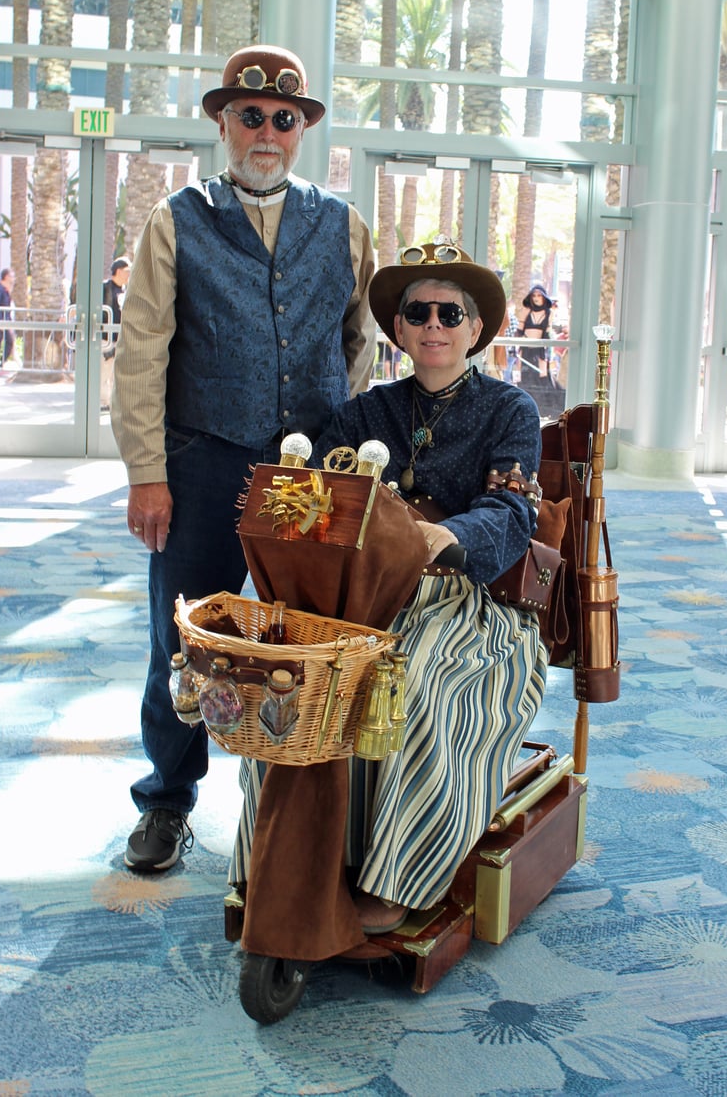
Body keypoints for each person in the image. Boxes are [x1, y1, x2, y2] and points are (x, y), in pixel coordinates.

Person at [111, 44, 376, 872]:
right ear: (224, 123)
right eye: (251, 116)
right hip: (203, 463)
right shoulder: (177, 219)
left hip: (311, 476)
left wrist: (339, 447)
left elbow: (358, 342)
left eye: (283, 119)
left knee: (313, 640)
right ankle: (167, 799)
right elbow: (142, 351)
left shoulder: (342, 223)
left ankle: (299, 811)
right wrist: (147, 471)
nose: (267, 131)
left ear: (302, 131)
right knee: (186, 639)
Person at [233, 243, 547, 936]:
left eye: (449, 312)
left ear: (474, 329)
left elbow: (514, 511)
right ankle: (274, 857)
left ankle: (399, 875)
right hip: (368, 595)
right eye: (417, 312)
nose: (433, 324)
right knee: (297, 679)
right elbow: (317, 501)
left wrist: (446, 535)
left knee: (425, 685)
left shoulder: (511, 411)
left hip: (469, 601)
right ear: (399, 330)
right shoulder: (360, 414)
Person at [515, 284, 564, 416]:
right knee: (525, 379)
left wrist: (547, 354)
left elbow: (547, 334)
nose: (536, 298)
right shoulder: (527, 312)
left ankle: (543, 410)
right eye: (534, 295)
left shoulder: (548, 313)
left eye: (539, 295)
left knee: (542, 379)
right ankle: (527, 410)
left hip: (540, 352)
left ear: (544, 297)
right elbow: (518, 332)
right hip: (525, 351)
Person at [100, 257, 130, 410]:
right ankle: (103, 402)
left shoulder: (125, 290)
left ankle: (111, 402)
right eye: (127, 271)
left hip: (118, 337)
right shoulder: (105, 288)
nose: (129, 275)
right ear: (118, 271)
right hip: (105, 338)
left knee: (114, 374)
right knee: (104, 371)